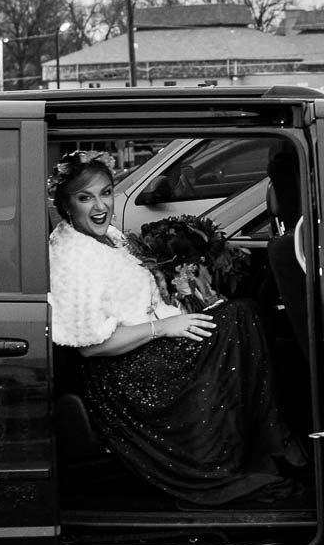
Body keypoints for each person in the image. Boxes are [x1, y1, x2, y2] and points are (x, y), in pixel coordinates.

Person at [46, 150, 305, 507]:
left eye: (105, 193)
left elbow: (140, 301)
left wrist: (187, 302)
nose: (99, 206)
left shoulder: (109, 239)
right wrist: (163, 327)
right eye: (85, 197)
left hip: (146, 350)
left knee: (242, 313)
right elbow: (90, 347)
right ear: (66, 204)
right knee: (240, 318)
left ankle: (273, 443)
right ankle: (274, 444)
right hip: (124, 375)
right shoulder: (74, 256)